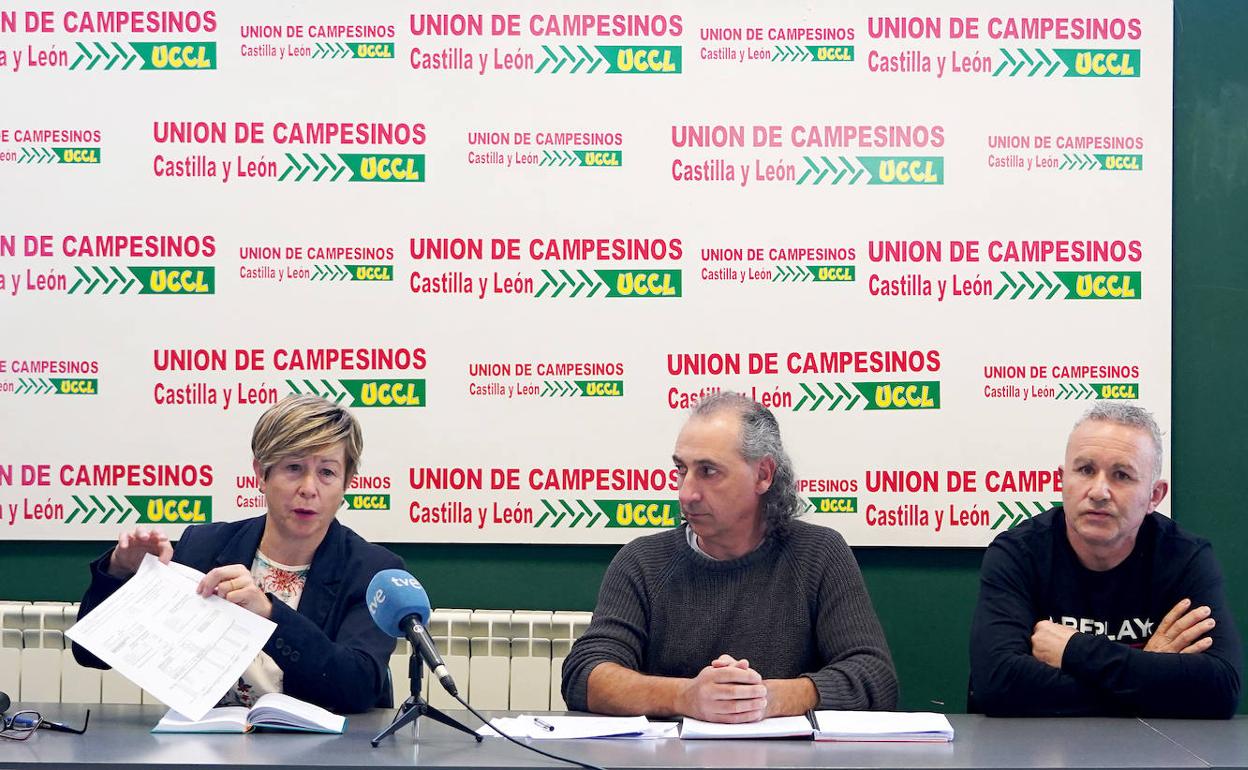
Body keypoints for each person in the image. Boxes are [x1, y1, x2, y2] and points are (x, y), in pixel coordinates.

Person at [562, 391, 897, 722]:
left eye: (708, 471)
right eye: (682, 470)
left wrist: (768, 697)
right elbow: (584, 675)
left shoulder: (819, 554)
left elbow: (874, 677)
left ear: (764, 474)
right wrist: (686, 696)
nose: (686, 493)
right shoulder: (642, 562)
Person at [72, 395, 403, 713]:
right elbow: (90, 655)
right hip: (205, 751)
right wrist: (120, 572)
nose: (309, 488)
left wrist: (270, 614)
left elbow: (358, 687)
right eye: (293, 467)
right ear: (261, 473)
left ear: (346, 483)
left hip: (318, 757)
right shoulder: (205, 546)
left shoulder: (372, 571)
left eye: (327, 472)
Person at [969, 403, 1241, 717]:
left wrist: (1075, 650)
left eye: (1121, 475)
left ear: (1155, 496)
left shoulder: (1184, 559)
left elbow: (1221, 689)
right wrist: (1151, 672)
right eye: (1085, 470)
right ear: (1062, 480)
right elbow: (997, 685)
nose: (1099, 491)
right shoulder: (1018, 553)